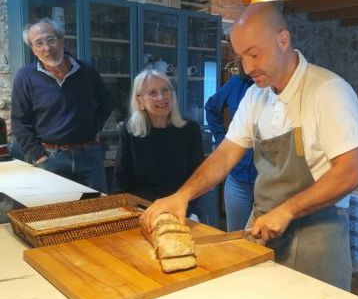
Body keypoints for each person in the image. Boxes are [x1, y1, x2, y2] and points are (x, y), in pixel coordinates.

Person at [141, 3, 358, 290]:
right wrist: (182, 195)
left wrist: (287, 210)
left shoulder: (328, 91)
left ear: (283, 40)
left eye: (254, 54)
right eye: (241, 58)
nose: (247, 68)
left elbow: (351, 172)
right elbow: (225, 154)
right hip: (263, 231)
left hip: (317, 239)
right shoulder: (255, 96)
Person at [11, 18, 111, 192]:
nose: (47, 48)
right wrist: (39, 156)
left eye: (51, 40)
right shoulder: (25, 77)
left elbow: (106, 102)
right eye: (39, 43)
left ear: (61, 40)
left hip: (89, 156)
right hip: (51, 158)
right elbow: (19, 122)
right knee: (57, 214)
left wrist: (95, 128)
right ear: (33, 50)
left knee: (98, 210)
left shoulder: (86, 70)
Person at [114, 69, 219, 227]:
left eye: (165, 90)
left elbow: (197, 178)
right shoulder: (129, 131)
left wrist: (184, 209)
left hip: (182, 209)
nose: (161, 97)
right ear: (140, 101)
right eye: (153, 93)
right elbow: (122, 181)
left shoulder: (190, 130)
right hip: (143, 211)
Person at [205, 67, 257, 231]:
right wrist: (222, 139)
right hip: (237, 178)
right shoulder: (236, 83)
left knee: (266, 243)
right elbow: (211, 107)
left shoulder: (275, 89)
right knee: (236, 238)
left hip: (266, 183)